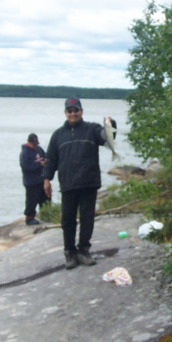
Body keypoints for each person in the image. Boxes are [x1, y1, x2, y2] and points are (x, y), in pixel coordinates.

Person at [42, 97, 116, 269]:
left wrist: (111, 124)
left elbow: (106, 137)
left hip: (89, 183)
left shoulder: (92, 129)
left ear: (81, 111)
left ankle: (84, 251)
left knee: (87, 219)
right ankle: (70, 253)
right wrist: (46, 180)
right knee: (67, 220)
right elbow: (51, 159)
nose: (73, 113)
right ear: (66, 113)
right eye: (70, 111)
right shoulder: (58, 135)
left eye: (76, 110)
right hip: (68, 185)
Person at [20, 133, 48, 225]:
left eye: (36, 144)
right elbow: (26, 166)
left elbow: (46, 157)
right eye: (33, 144)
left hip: (41, 180)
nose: (35, 146)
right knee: (31, 201)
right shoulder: (24, 153)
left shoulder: (39, 150)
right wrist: (39, 165)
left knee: (45, 199)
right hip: (31, 182)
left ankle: (46, 215)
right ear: (28, 142)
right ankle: (29, 218)